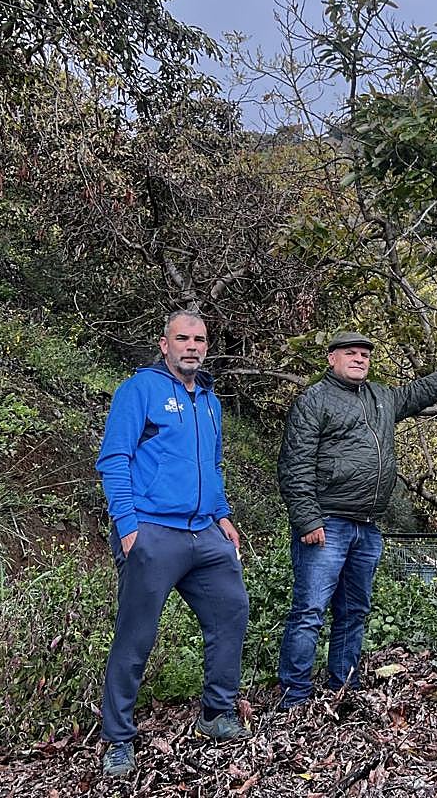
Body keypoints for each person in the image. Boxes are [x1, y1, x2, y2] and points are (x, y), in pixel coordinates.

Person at [276, 331, 437, 707]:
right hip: (328, 522)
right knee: (309, 612)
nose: (359, 359)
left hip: (367, 527)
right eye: (350, 353)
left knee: (354, 610)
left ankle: (343, 687)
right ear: (331, 359)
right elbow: (295, 464)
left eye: (364, 354)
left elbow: (421, 391)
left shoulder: (382, 398)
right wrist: (308, 521)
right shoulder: (314, 400)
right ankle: (295, 697)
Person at [94, 310, 250, 778]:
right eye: (182, 338)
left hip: (204, 531)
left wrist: (222, 515)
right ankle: (118, 739)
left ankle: (216, 713)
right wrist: (128, 526)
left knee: (231, 608)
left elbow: (212, 465)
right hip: (152, 531)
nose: (192, 346)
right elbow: (114, 459)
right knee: (136, 634)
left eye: (199, 340)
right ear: (164, 345)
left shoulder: (209, 400)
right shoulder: (138, 390)